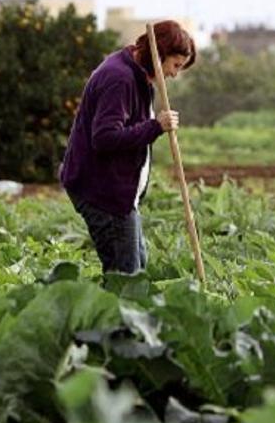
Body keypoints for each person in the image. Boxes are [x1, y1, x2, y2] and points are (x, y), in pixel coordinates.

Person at [60, 20, 196, 273]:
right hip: (102, 191)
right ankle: (111, 314)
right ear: (160, 54)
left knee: (136, 268)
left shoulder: (139, 75)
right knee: (126, 276)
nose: (175, 74)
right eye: (175, 65)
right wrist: (155, 127)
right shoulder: (119, 79)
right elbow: (104, 138)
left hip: (117, 193)